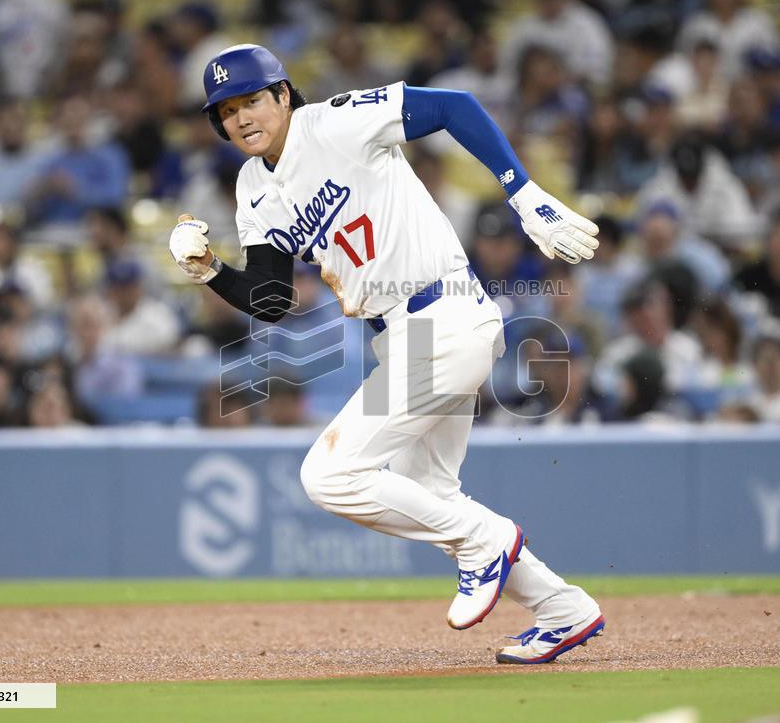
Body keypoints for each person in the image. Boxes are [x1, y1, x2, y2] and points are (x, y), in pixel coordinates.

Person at [168, 44, 604, 665]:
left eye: (252, 100)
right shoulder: (252, 186)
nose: (240, 117)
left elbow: (454, 106)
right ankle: (563, 609)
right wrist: (211, 271)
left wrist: (522, 190)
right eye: (227, 110)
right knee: (433, 492)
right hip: (405, 336)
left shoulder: (336, 122)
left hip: (442, 314)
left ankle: (488, 542)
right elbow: (270, 297)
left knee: (328, 476)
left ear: (284, 95)